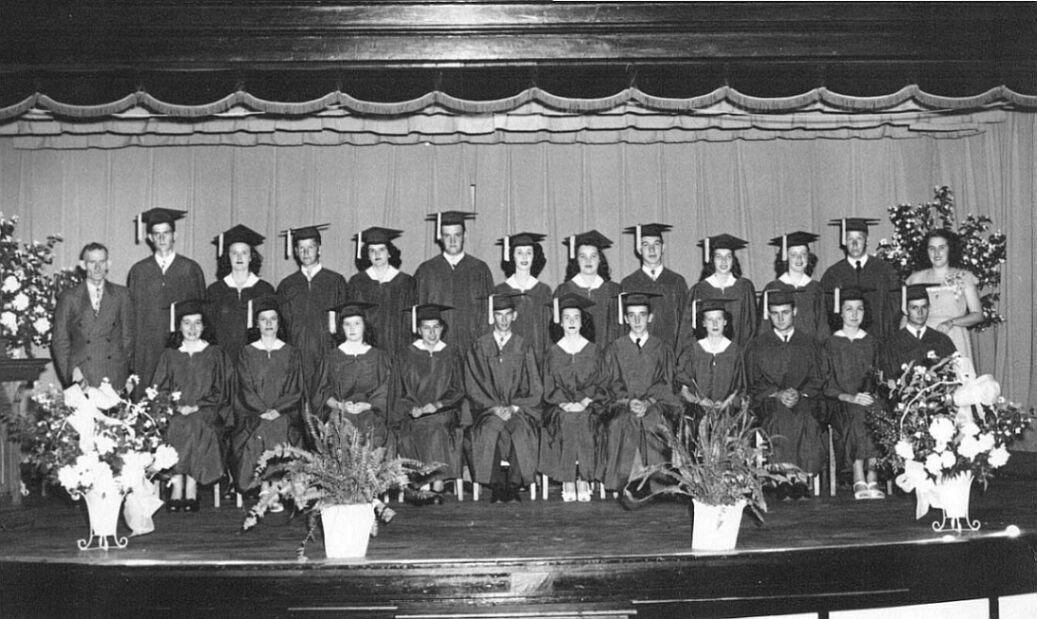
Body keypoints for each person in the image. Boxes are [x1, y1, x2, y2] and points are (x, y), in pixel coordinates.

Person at [151, 299, 234, 512]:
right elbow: (159, 388)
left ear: (204, 326)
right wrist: (173, 406)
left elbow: (222, 390)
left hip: (206, 411)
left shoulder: (215, 354)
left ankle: (192, 484)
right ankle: (177, 482)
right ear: (178, 326)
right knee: (176, 424)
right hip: (175, 410)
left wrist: (198, 406)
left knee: (197, 425)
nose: (192, 328)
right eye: (187, 323)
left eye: (198, 323)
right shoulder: (170, 355)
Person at [745, 290, 825, 498]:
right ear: (768, 315)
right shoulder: (757, 345)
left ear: (794, 312)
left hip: (803, 399)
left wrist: (800, 393)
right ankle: (782, 476)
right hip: (769, 400)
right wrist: (776, 393)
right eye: (775, 313)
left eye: (785, 312)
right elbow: (752, 381)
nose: (780, 318)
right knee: (779, 415)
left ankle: (800, 477)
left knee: (805, 417)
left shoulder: (809, 343)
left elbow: (818, 377)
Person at [464, 293, 543, 503]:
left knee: (521, 430)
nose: (504, 320)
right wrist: (493, 408)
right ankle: (497, 486)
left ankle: (515, 486)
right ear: (493, 317)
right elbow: (473, 385)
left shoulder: (523, 346)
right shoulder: (479, 346)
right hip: (489, 411)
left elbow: (535, 385)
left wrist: (516, 407)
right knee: (490, 429)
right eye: (499, 315)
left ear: (515, 316)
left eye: (508, 315)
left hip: (519, 410)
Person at [600, 292, 680, 493]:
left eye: (642, 315)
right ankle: (626, 480)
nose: (637, 320)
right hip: (623, 404)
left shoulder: (662, 348)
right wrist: (629, 402)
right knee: (620, 423)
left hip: (655, 404)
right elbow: (610, 383)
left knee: (655, 422)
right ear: (625, 318)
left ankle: (656, 482)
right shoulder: (615, 348)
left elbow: (666, 382)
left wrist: (649, 402)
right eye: (632, 315)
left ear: (650, 317)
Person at [231, 296, 304, 496]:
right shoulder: (247, 353)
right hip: (254, 413)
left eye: (273, 319)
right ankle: (265, 485)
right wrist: (263, 411)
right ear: (257, 324)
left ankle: (277, 485)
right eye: (264, 319)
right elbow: (245, 388)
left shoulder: (291, 352)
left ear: (279, 323)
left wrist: (277, 410)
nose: (269, 323)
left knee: (278, 425)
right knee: (263, 427)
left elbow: (295, 389)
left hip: (285, 413)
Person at [127, 208, 205, 394]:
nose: (162, 239)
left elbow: (202, 314)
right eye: (157, 234)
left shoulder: (190, 269)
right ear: (150, 238)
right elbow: (131, 316)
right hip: (147, 347)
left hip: (181, 345)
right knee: (147, 398)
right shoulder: (139, 271)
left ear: (174, 235)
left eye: (166, 233)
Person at [391, 303, 465, 496]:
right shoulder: (406, 355)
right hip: (414, 413)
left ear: (442, 328)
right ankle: (428, 483)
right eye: (426, 328)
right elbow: (398, 389)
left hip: (444, 412)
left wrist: (438, 404)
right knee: (418, 427)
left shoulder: (451, 353)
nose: (431, 333)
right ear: (418, 330)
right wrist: (412, 407)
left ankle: (432, 483)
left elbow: (458, 389)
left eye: (436, 327)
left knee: (436, 426)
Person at [539, 293, 605, 502]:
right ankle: (568, 480)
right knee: (567, 420)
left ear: (582, 320)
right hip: (560, 407)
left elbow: (600, 382)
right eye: (567, 318)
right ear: (560, 322)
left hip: (589, 406)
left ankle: (584, 479)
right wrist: (565, 403)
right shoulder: (553, 352)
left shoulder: (594, 350)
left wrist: (585, 401)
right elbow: (548, 386)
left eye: (576, 317)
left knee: (585, 419)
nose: (571, 322)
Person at [821, 287, 885, 500]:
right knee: (856, 414)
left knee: (876, 411)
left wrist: (868, 395)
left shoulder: (872, 342)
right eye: (849, 309)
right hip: (839, 401)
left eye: (859, 309)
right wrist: (849, 397)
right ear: (841, 313)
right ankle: (859, 474)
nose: (855, 314)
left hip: (867, 398)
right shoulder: (830, 344)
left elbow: (877, 378)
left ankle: (873, 475)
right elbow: (826, 382)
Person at [275, 224, 350, 398]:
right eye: (301, 248)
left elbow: (344, 323)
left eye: (311, 247)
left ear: (319, 249)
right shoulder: (287, 285)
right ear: (295, 251)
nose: (306, 252)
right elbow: (282, 326)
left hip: (326, 351)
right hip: (296, 353)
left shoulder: (335, 281)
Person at [52, 242, 134, 389]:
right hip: (82, 375)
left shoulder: (122, 294)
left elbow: (128, 337)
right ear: (83, 265)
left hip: (113, 375)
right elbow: (60, 341)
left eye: (101, 262)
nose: (97, 267)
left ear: (108, 264)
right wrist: (71, 374)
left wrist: (123, 372)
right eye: (92, 262)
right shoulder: (69, 297)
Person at [414, 211, 495, 359]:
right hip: (437, 348)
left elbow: (488, 314)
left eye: (457, 235)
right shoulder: (426, 270)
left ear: (465, 235)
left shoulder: (480, 269)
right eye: (447, 236)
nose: (452, 241)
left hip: (472, 349)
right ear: (440, 238)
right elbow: (419, 312)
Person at [312, 301, 391, 447]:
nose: (352, 328)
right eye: (347, 324)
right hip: (340, 415)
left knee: (373, 437)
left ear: (365, 325)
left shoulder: (379, 357)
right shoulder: (331, 357)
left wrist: (367, 406)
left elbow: (387, 390)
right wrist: (339, 405)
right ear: (341, 328)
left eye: (357, 323)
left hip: (371, 414)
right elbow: (321, 393)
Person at [905, 229, 983, 364]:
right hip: (922, 339)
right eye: (931, 248)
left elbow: (977, 314)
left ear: (950, 249)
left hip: (954, 336)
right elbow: (906, 315)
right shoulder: (915, 279)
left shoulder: (964, 277)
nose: (936, 253)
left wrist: (951, 322)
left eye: (941, 248)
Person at [820, 218, 901, 343]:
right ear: (844, 242)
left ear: (867, 240)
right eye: (850, 239)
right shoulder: (833, 274)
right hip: (845, 344)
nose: (854, 244)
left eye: (859, 239)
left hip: (879, 340)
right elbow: (825, 313)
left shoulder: (885, 271)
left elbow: (894, 309)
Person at [204, 224, 276, 365]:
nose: (239, 257)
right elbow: (209, 332)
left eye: (244, 252)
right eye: (234, 253)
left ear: (251, 257)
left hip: (256, 361)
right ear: (227, 257)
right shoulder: (215, 291)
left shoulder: (265, 290)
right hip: (223, 361)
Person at [348, 226, 417, 357]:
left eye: (381, 249)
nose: (377, 254)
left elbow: (409, 321)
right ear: (367, 255)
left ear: (389, 252)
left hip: (397, 345)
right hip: (366, 347)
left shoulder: (406, 282)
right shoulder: (357, 282)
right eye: (372, 250)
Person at [682, 234, 757, 351]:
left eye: (728, 257)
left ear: (733, 260)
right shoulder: (700, 290)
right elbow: (688, 329)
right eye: (718, 257)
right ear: (712, 260)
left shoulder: (744, 287)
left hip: (740, 354)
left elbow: (752, 326)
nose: (723, 261)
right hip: (706, 355)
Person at [620, 223, 687, 352]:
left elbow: (685, 326)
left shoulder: (677, 282)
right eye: (646, 245)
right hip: (638, 355)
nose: (652, 250)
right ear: (639, 249)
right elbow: (623, 328)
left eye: (656, 244)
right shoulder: (628, 284)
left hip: (671, 354)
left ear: (663, 247)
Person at [674, 298, 745, 422]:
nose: (715, 324)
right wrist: (699, 402)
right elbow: (684, 391)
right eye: (710, 320)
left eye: (719, 319)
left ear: (725, 321)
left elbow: (739, 390)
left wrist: (725, 404)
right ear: (703, 323)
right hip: (697, 412)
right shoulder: (692, 351)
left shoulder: (735, 352)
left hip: (728, 413)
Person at [494, 232, 553, 367]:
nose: (524, 257)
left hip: (537, 358)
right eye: (519, 252)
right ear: (512, 256)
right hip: (509, 359)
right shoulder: (501, 291)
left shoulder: (544, 291)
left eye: (529, 252)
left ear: (534, 256)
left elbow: (549, 332)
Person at [553, 230, 622, 346]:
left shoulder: (614, 291)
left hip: (608, 358)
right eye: (583, 256)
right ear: (576, 260)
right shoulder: (563, 291)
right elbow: (556, 331)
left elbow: (620, 331)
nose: (588, 261)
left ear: (600, 259)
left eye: (593, 256)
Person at [762, 231, 829, 342]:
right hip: (779, 347)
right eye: (793, 255)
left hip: (810, 349)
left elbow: (822, 326)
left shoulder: (816, 288)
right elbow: (764, 326)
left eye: (803, 254)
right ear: (785, 258)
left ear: (808, 257)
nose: (799, 259)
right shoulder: (773, 288)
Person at [884, 283, 956, 375]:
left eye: (924, 307)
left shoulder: (942, 340)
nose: (920, 312)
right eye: (914, 307)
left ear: (929, 308)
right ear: (905, 309)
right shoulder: (892, 344)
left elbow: (954, 373)